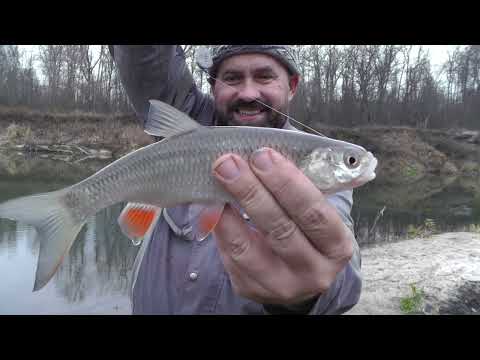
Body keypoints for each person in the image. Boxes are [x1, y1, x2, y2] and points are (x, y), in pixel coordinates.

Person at [109, 45, 362, 314]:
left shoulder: (315, 164)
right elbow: (145, 58)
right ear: (213, 85)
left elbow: (344, 273)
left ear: (292, 85)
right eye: (232, 78)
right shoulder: (187, 120)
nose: (249, 93)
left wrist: (306, 295)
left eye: (264, 76)